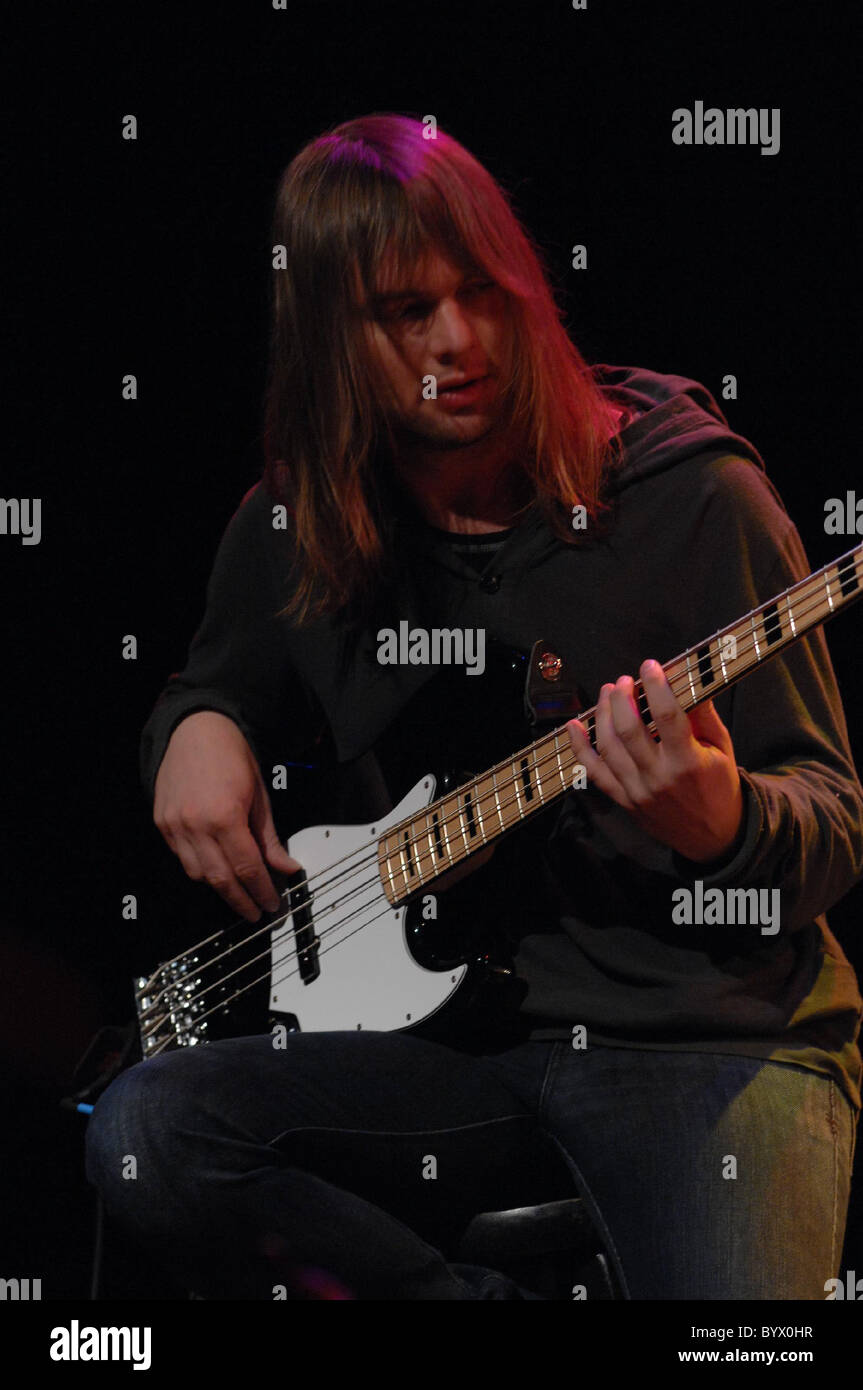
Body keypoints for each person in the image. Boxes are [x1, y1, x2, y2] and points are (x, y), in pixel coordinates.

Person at [85, 113, 863, 1300]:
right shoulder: (297, 525)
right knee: (149, 1130)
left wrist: (720, 824)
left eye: (483, 292)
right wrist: (194, 730)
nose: (458, 340)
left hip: (706, 1040)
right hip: (448, 1052)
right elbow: (214, 680)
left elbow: (830, 821)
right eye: (406, 312)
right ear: (331, 338)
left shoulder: (696, 497)